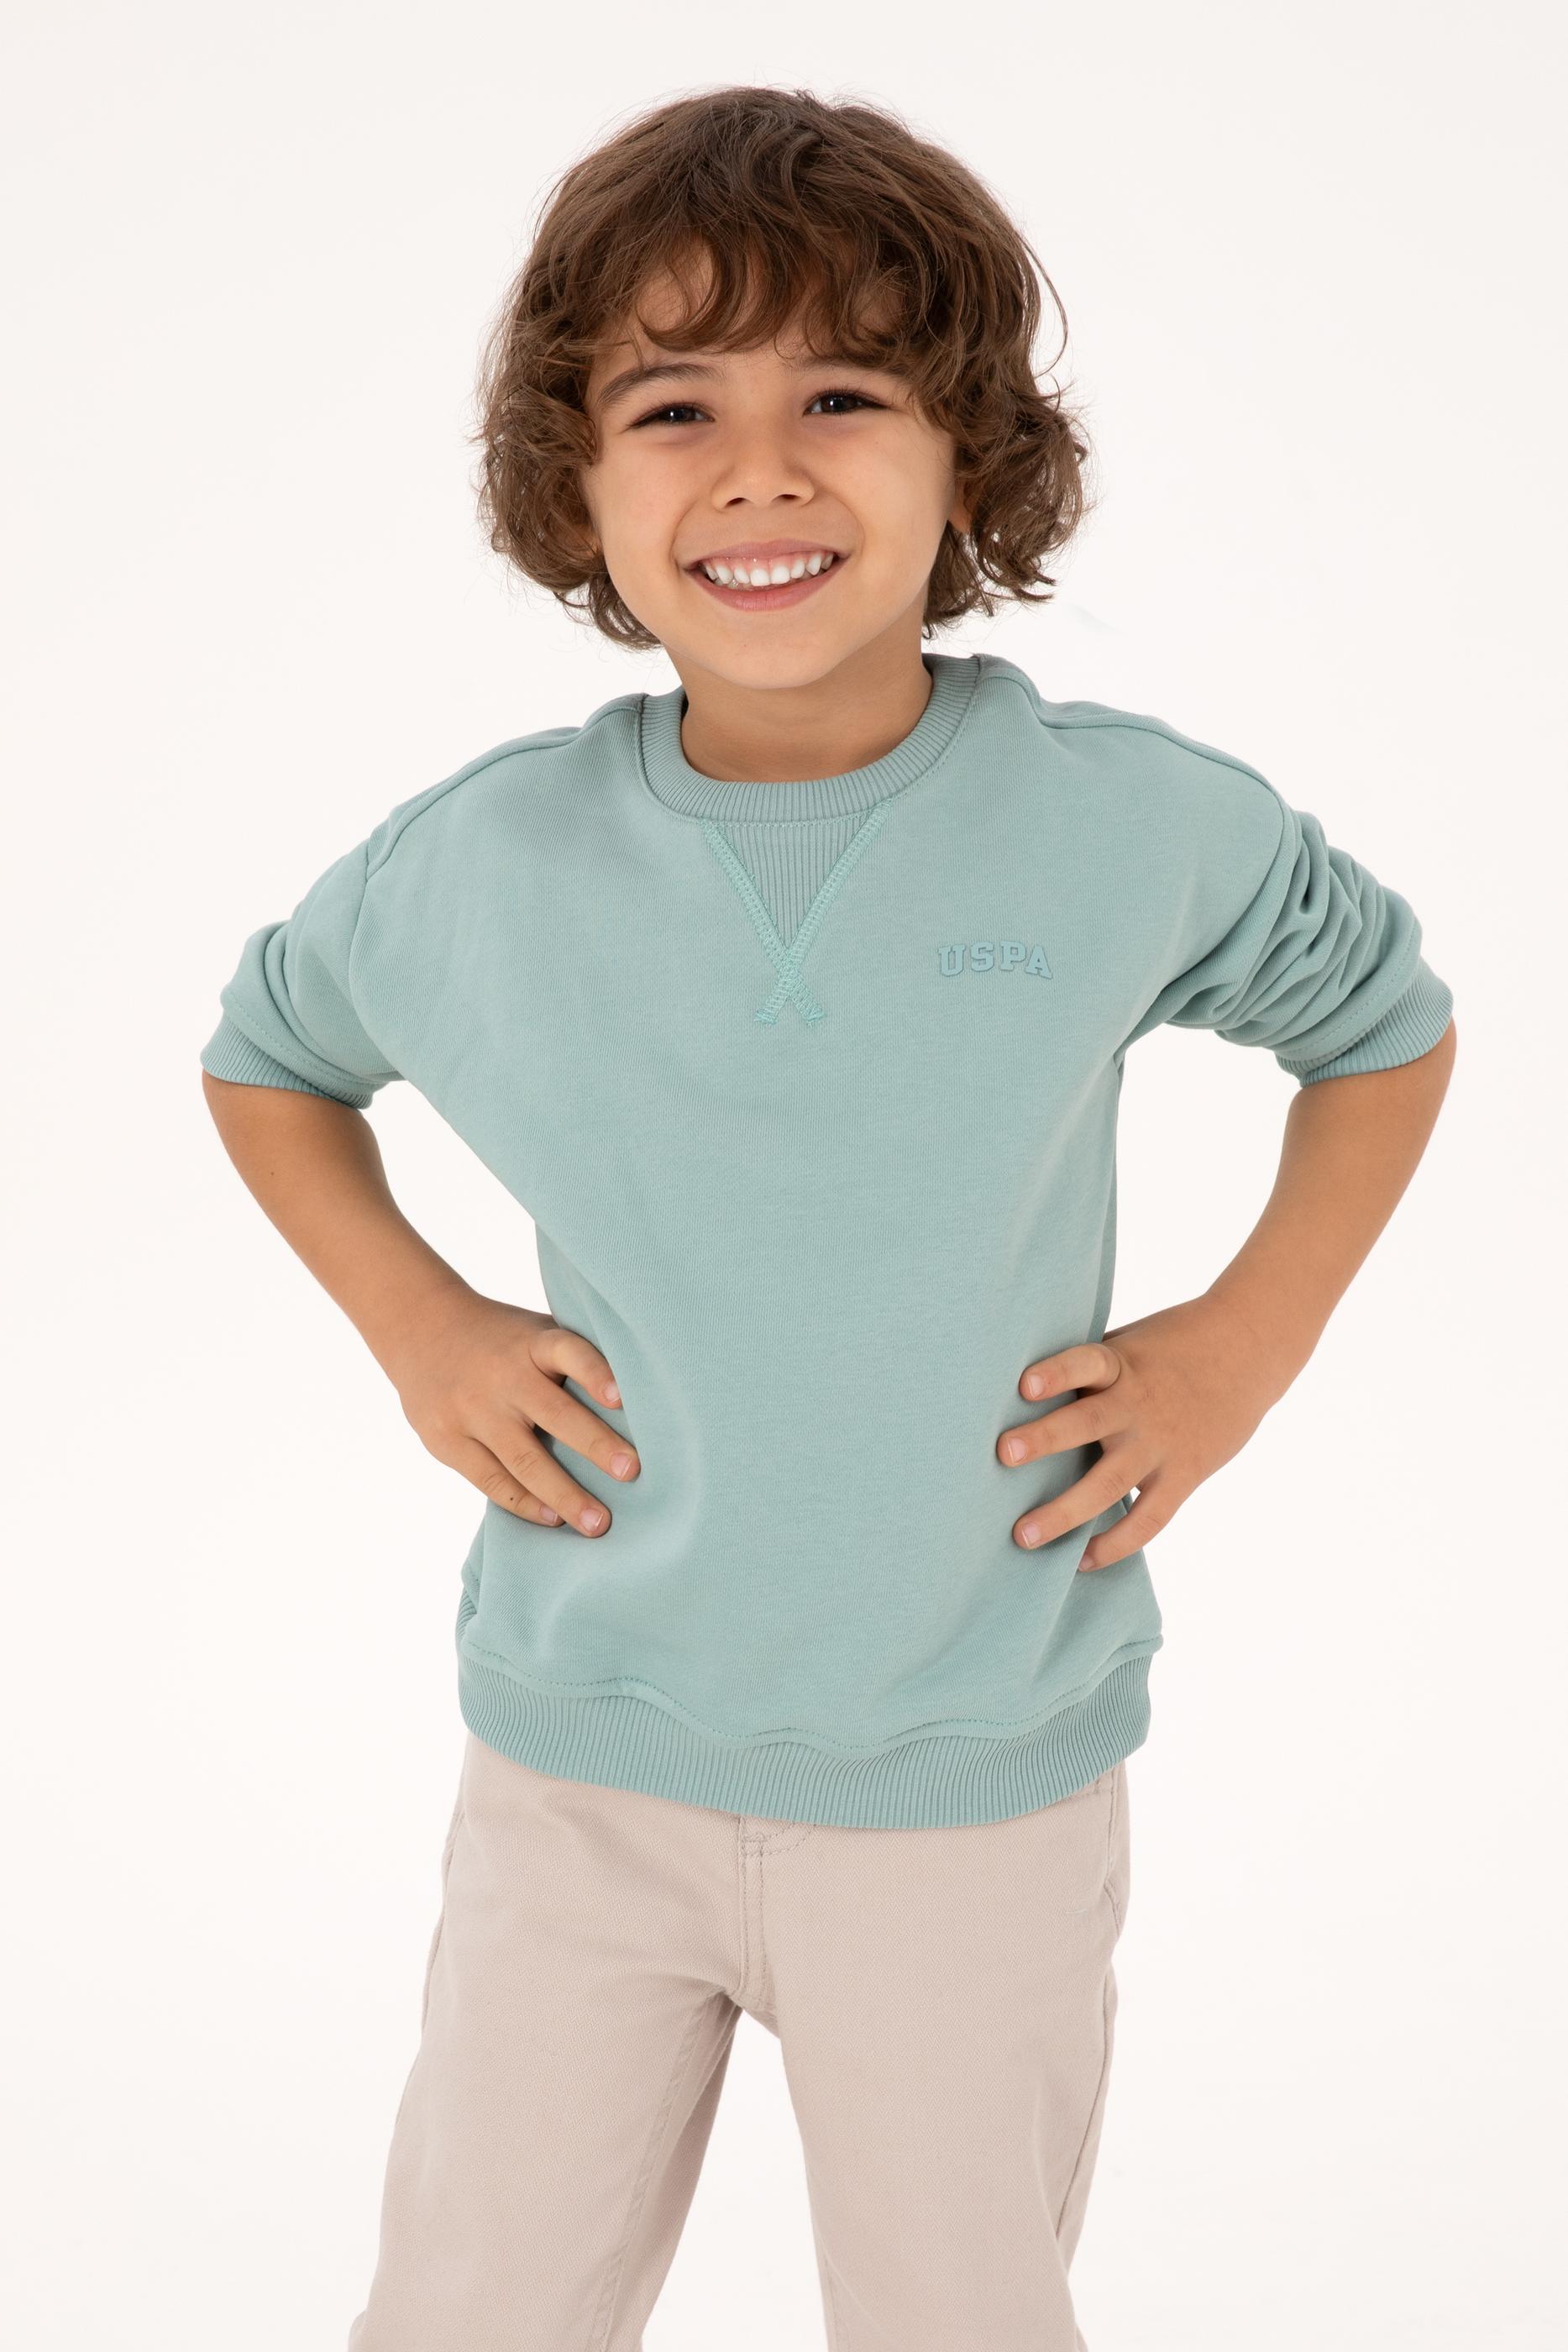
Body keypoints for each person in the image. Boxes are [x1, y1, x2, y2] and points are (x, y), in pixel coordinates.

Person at [198, 85, 1456, 2352]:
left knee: (960, 2313)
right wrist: (422, 1326)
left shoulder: (1124, 826)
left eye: (845, 397)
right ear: (576, 485)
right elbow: (267, 1061)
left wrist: (1240, 1343)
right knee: (471, 2310)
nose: (761, 471)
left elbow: (1382, 1028)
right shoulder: (480, 865)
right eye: (674, 406)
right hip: (579, 1760)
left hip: (975, 1774)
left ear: (969, 456)